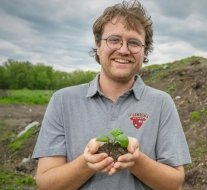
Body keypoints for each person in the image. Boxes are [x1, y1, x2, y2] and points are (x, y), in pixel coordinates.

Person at [32, 1, 192, 189]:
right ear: (98, 45)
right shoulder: (63, 100)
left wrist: (137, 160)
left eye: (133, 42)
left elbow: (174, 184)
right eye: (114, 40)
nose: (123, 50)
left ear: (144, 51)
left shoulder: (161, 103)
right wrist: (86, 163)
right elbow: (45, 183)